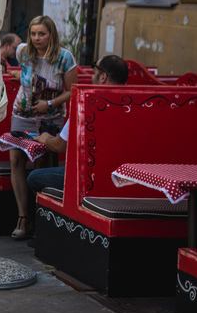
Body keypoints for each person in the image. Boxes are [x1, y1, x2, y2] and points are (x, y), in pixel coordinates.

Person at [8, 15, 78, 239]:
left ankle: (42, 219)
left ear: (51, 35)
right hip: (22, 113)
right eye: (33, 33)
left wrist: (49, 103)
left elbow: (72, 91)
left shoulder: (64, 58)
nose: (37, 38)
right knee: (16, 159)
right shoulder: (23, 52)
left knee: (44, 163)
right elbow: (1, 55)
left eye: (42, 34)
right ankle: (22, 217)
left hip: (51, 118)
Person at [26, 55, 128, 207]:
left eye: (94, 72)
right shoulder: (134, 105)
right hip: (124, 179)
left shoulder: (86, 104)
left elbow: (60, 146)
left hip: (90, 178)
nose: (92, 76)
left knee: (33, 177)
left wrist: (46, 139)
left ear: (103, 77)